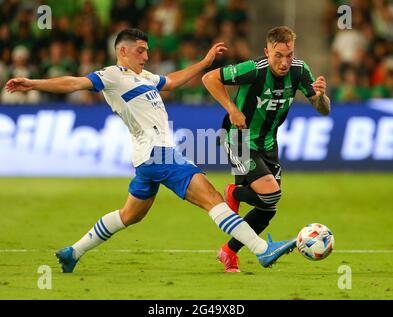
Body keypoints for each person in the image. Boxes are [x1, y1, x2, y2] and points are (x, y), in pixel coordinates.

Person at [5, 28, 296, 273]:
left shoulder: (145, 78)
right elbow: (72, 83)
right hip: (159, 154)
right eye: (141, 51)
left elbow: (173, 81)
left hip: (147, 160)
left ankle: (74, 252)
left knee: (129, 215)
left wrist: (205, 61)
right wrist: (33, 84)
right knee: (212, 198)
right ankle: (260, 249)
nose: (146, 56)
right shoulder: (112, 76)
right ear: (123, 52)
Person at [202, 26, 331, 272]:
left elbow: (323, 109)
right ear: (267, 52)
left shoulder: (300, 70)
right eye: (278, 55)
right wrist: (232, 108)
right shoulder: (254, 69)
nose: (284, 62)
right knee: (271, 193)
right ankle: (236, 193)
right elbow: (209, 78)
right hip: (239, 139)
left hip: (268, 144)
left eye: (289, 55)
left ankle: (229, 251)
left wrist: (320, 96)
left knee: (267, 209)